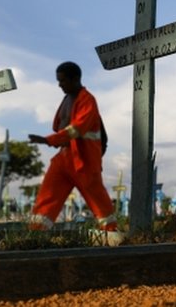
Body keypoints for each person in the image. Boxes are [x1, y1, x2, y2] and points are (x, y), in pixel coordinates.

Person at [28, 61, 118, 235]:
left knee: (98, 202)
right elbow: (60, 126)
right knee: (47, 196)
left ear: (75, 78)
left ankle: (111, 234)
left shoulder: (87, 100)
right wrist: (54, 139)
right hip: (64, 158)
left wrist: (48, 140)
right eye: (58, 80)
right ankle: (35, 233)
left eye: (62, 80)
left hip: (83, 161)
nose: (59, 84)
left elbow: (76, 129)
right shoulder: (66, 99)